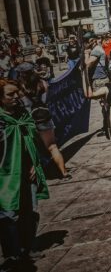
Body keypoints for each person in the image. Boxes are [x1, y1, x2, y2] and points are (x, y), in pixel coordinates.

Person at [0, 79, 48, 268]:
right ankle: (12, 253)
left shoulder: (22, 114)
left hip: (26, 170)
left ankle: (28, 248)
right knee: (8, 214)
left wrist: (32, 166)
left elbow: (31, 141)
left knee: (30, 211)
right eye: (10, 95)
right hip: (5, 175)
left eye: (16, 93)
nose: (15, 98)